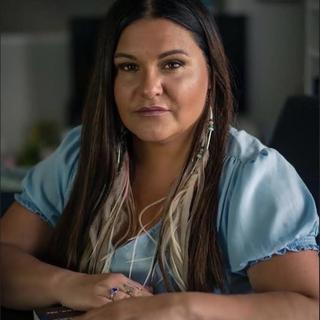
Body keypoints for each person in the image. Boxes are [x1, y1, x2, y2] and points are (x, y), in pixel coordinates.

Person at [1, 0, 319, 319]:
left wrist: (179, 307)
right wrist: (70, 286)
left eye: (172, 64)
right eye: (129, 67)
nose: (149, 88)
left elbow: (309, 307)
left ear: (211, 73)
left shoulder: (252, 175)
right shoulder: (81, 154)